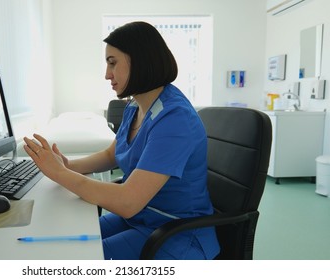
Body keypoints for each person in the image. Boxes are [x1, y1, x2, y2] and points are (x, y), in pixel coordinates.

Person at [23, 21, 220, 260]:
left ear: (140, 60)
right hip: (142, 217)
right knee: (63, 239)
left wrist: (59, 174)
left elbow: (128, 201)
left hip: (176, 233)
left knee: (74, 258)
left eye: (112, 63)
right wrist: (67, 166)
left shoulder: (175, 119)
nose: (107, 74)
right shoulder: (134, 107)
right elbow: (111, 155)